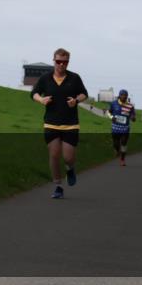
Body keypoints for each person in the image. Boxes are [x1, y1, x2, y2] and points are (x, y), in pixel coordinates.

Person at [30, 48, 89, 199]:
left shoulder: (74, 78)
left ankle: (70, 169)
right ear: (54, 61)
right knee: (54, 155)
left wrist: (76, 100)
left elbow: (84, 94)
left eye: (65, 62)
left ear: (68, 62)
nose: (61, 64)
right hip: (51, 123)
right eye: (58, 61)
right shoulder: (45, 78)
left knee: (68, 157)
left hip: (70, 124)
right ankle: (58, 186)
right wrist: (41, 100)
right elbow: (34, 93)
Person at [108, 89, 136, 166]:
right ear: (119, 96)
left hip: (125, 128)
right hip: (115, 128)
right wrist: (111, 117)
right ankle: (117, 150)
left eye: (125, 95)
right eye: (122, 95)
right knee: (116, 144)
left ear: (127, 96)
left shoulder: (130, 106)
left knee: (124, 143)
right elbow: (108, 112)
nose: (124, 96)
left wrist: (133, 118)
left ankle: (122, 159)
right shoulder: (114, 103)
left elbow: (133, 115)